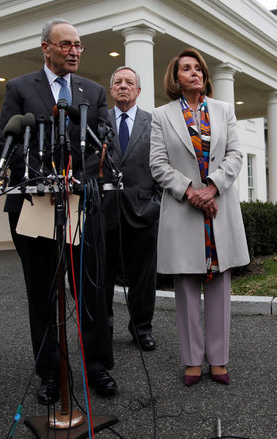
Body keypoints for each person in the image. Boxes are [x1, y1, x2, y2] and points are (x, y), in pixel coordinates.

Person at [0, 18, 116, 401]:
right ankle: (50, 374)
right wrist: (43, 177)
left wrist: (77, 179)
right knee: (43, 292)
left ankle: (98, 368)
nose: (75, 51)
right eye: (66, 44)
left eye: (78, 45)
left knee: (91, 290)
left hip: (83, 203)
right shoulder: (18, 88)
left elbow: (105, 146)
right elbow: (10, 141)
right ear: (45, 47)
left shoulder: (94, 92)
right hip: (35, 204)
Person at [149, 47, 249, 386]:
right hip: (183, 210)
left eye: (198, 68)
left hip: (218, 209)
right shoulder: (161, 116)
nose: (194, 73)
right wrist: (191, 191)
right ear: (175, 78)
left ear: (204, 75)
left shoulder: (223, 110)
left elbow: (235, 155)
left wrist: (213, 187)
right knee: (187, 287)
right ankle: (192, 361)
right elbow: (158, 165)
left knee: (220, 285)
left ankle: (219, 360)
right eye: (185, 68)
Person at [103, 66, 161, 352]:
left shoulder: (154, 123)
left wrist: (157, 205)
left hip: (143, 212)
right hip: (104, 213)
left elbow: (164, 167)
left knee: (143, 278)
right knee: (102, 277)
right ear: (111, 90)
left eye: (129, 82)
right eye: (118, 82)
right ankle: (104, 332)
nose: (123, 86)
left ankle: (141, 329)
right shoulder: (98, 122)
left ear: (138, 90)